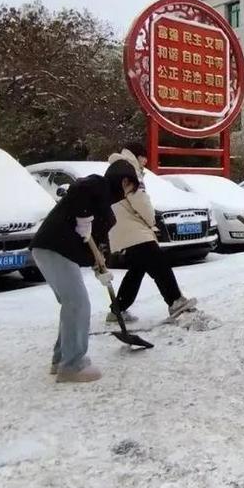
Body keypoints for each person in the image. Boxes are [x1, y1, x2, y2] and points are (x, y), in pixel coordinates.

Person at [31, 160, 139, 383]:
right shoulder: (99, 185)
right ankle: (72, 365)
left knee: (72, 305)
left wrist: (100, 266)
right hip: (54, 248)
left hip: (52, 250)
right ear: (124, 181)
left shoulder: (106, 212)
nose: (129, 194)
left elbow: (94, 244)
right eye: (131, 188)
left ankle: (60, 358)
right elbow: (80, 188)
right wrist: (83, 218)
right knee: (78, 304)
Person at [106, 143, 195, 323]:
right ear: (136, 155)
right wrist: (151, 221)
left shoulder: (116, 168)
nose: (146, 161)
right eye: (144, 156)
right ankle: (175, 301)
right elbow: (140, 200)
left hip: (120, 227)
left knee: (137, 268)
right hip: (133, 227)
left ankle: (118, 309)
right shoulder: (129, 170)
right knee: (159, 265)